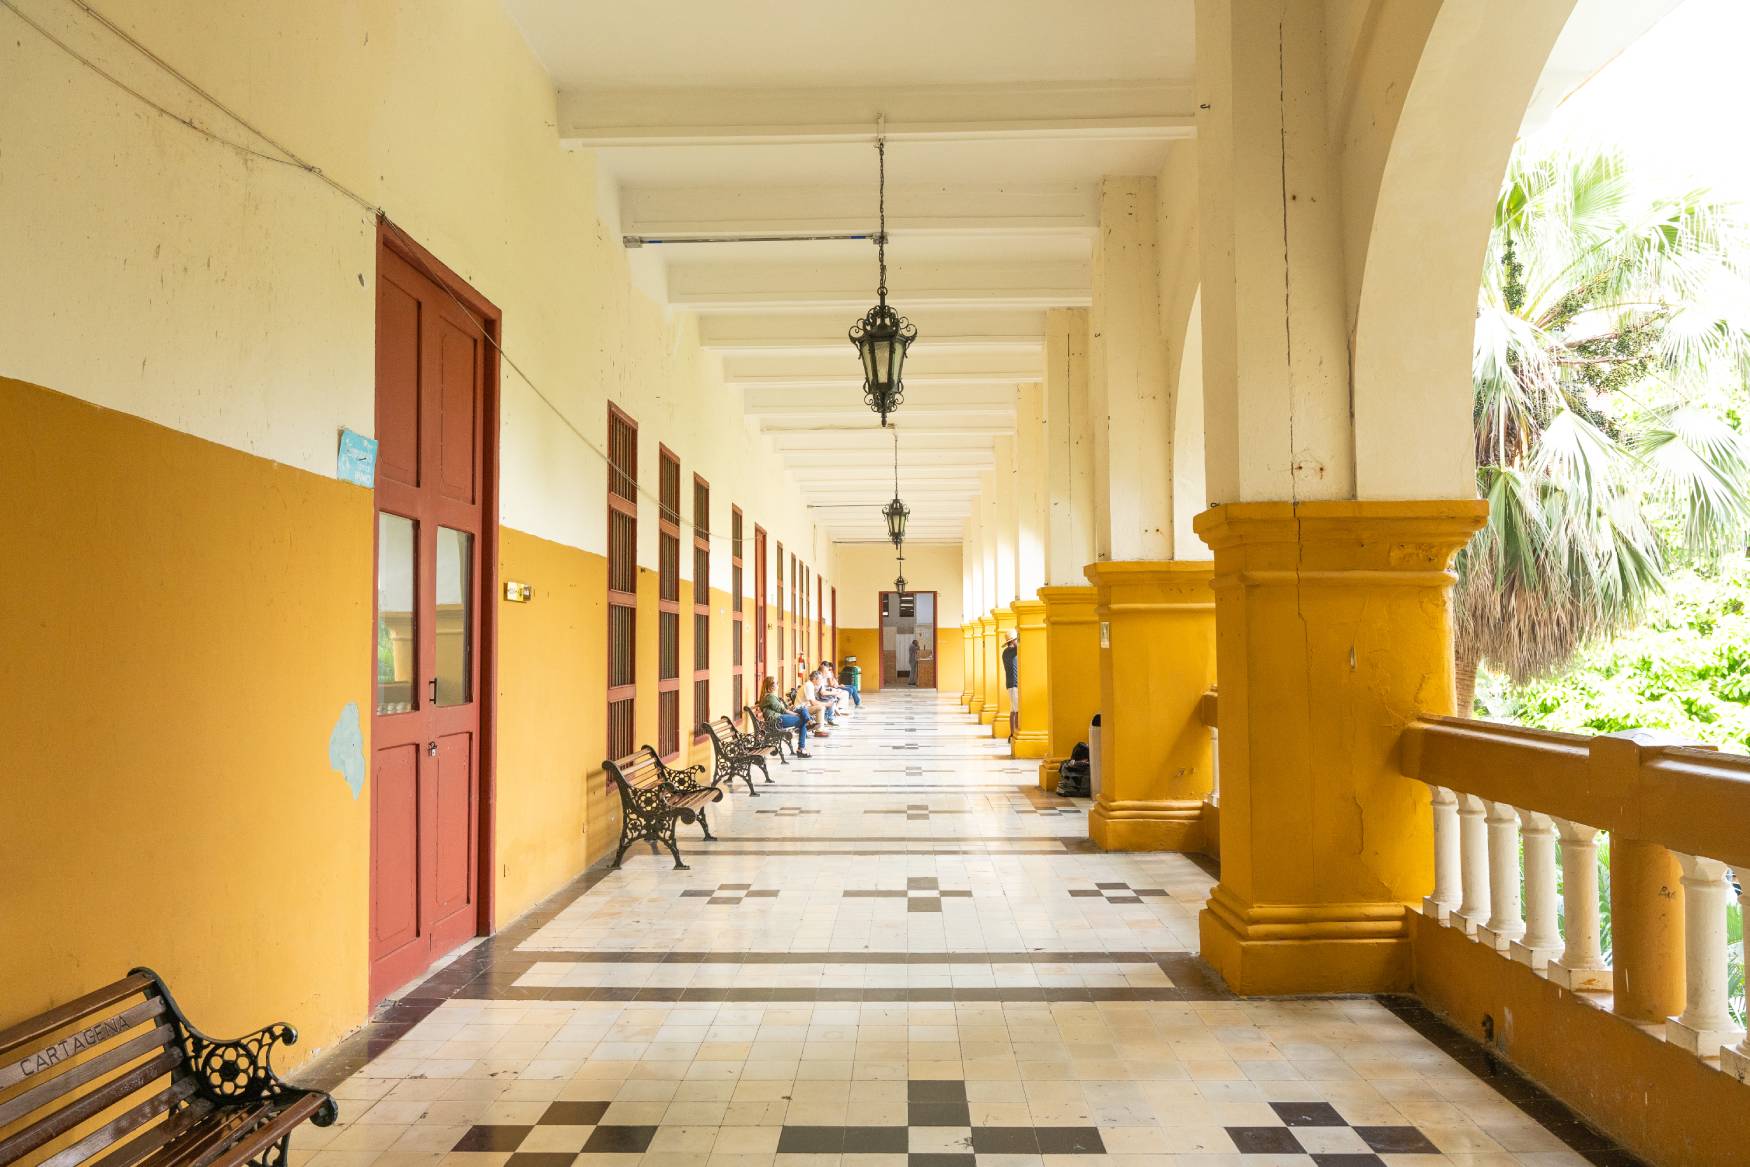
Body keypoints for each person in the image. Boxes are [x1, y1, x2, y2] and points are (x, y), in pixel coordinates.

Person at [757, 675, 813, 759]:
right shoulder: (770, 697)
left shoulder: (770, 696)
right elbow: (781, 710)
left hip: (779, 718)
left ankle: (810, 722)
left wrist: (791, 709)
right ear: (771, 687)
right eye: (776, 683)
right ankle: (801, 747)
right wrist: (795, 714)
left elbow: (782, 709)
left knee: (803, 709)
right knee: (803, 720)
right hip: (777, 720)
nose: (778, 685)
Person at [1001, 632, 1020, 744]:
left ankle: (1012, 733)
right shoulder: (1011, 651)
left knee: (1013, 710)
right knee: (1017, 711)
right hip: (1014, 684)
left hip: (1011, 684)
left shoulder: (1005, 652)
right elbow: (1021, 647)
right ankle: (1015, 733)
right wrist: (1016, 642)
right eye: (1016, 639)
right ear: (1012, 641)